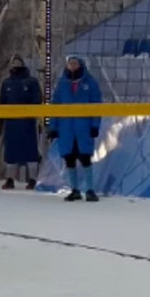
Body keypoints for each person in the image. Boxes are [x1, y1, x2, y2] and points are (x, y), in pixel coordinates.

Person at [47, 54, 102, 202]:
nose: (72, 66)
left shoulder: (90, 83)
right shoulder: (62, 84)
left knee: (85, 158)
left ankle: (90, 190)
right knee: (69, 158)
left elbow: (97, 105)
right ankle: (74, 190)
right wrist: (53, 127)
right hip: (66, 128)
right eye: (70, 63)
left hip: (83, 127)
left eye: (74, 63)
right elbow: (55, 107)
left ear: (80, 65)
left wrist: (95, 125)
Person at [0, 54, 42, 190]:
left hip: (27, 122)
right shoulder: (6, 83)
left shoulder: (31, 81)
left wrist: (30, 112)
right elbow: (2, 101)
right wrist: (1, 118)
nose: (15, 64)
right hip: (11, 122)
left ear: (23, 64)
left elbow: (37, 99)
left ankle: (33, 179)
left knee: (30, 150)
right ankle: (10, 179)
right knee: (10, 151)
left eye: (18, 62)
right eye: (13, 62)